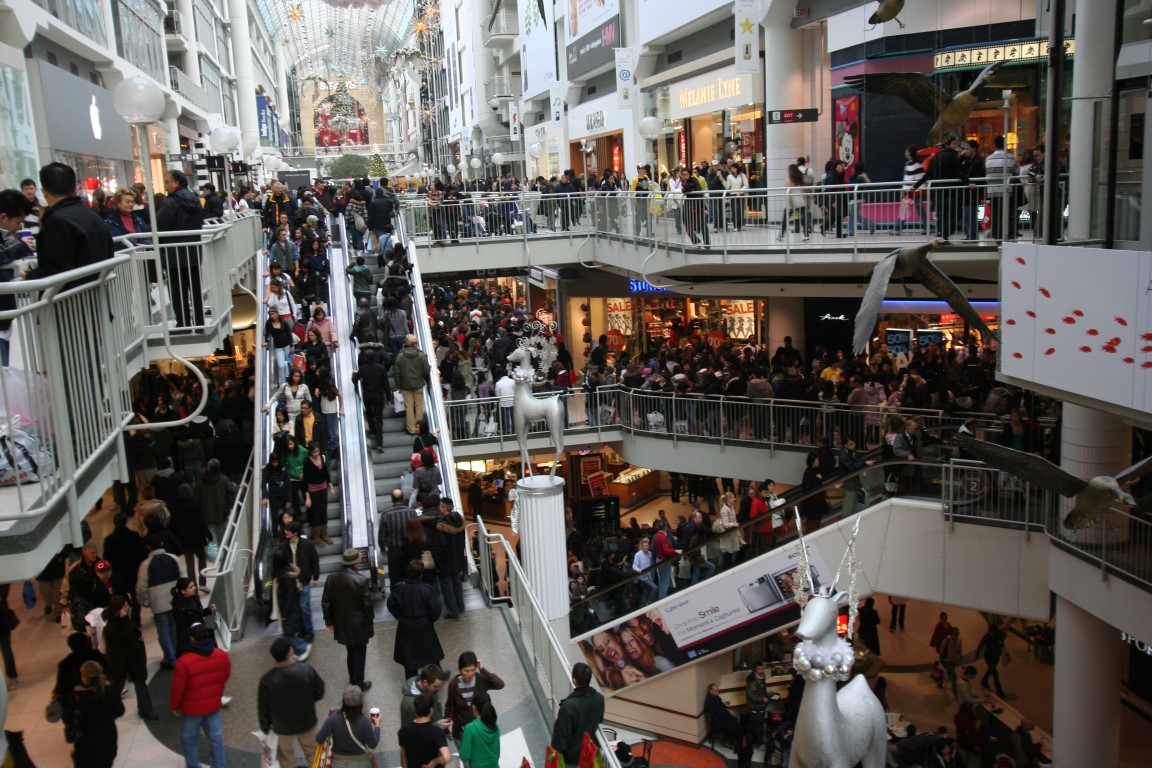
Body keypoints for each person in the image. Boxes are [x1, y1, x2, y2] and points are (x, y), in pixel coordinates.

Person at [29, 162, 114, 282]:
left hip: (69, 296)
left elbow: (57, 269)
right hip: (97, 293)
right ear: (74, 188)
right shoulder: (93, 216)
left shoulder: (56, 221)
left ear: (44, 192)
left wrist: (30, 276)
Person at [170, 624, 231, 768]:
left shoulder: (184, 662)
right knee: (216, 739)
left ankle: (193, 765)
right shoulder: (221, 655)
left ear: (192, 638)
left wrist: (174, 706)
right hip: (213, 705)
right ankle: (219, 765)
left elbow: (178, 689)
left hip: (192, 710)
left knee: (188, 738)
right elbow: (225, 676)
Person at [258, 636, 325, 768]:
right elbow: (319, 691)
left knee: (286, 759)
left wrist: (265, 728)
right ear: (289, 652)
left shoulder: (267, 680)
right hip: (307, 722)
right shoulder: (306, 670)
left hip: (281, 728)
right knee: (313, 754)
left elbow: (263, 709)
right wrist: (309, 701)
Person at [156, 169, 207, 328]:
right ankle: (199, 321)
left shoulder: (170, 202)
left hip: (174, 253)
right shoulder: (195, 199)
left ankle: (183, 322)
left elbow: (161, 225)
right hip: (192, 251)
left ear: (176, 183)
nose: (165, 185)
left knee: (177, 290)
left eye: (167, 182)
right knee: (195, 288)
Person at [323, 548, 376, 691]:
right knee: (359, 652)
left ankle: (353, 678)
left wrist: (328, 622)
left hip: (341, 622)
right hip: (358, 623)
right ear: (356, 562)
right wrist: (370, 623)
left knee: (350, 651)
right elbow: (367, 606)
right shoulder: (360, 580)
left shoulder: (331, 578)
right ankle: (358, 682)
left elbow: (326, 602)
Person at [100, 596, 157, 721]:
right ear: (118, 610)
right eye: (125, 606)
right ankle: (111, 710)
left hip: (131, 658)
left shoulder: (120, 622)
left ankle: (146, 709)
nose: (128, 607)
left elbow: (133, 632)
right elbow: (127, 636)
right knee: (118, 686)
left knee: (138, 683)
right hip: (121, 661)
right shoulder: (112, 626)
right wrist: (126, 621)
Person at [387, 560, 444, 678]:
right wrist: (430, 619)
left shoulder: (399, 588)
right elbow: (436, 609)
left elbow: (390, 603)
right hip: (424, 625)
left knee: (409, 657)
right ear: (421, 574)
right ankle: (436, 676)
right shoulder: (426, 590)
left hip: (405, 625)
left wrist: (398, 614)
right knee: (432, 654)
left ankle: (411, 681)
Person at [136, 534, 185, 670]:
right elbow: (183, 577)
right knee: (175, 627)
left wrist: (145, 602)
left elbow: (141, 588)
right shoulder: (173, 558)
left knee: (163, 631)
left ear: (148, 547)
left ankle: (170, 658)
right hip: (175, 599)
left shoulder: (145, 565)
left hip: (158, 602)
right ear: (162, 543)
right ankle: (177, 652)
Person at [65, 660, 124, 768]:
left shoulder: (77, 696)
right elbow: (120, 711)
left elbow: (68, 717)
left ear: (84, 677)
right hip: (107, 736)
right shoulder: (109, 691)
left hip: (86, 742)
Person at [550, 663, 605, 767]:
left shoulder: (569, 706)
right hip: (589, 755)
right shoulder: (599, 699)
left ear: (574, 680)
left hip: (571, 760)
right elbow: (599, 720)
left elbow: (561, 738)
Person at [315, 685, 381, 767]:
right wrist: (377, 726)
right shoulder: (365, 722)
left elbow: (319, 739)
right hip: (361, 763)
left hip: (337, 764)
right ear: (361, 704)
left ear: (343, 701)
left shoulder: (333, 719)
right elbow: (372, 744)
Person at [445, 651, 505, 740]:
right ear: (460, 669)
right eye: (466, 670)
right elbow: (449, 706)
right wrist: (446, 729)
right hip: (462, 731)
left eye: (473, 670)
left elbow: (499, 684)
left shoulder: (480, 679)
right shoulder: (453, 684)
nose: (470, 674)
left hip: (480, 730)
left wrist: (483, 670)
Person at [281, 521, 320, 641]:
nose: (285, 532)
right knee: (296, 607)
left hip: (304, 580)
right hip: (290, 582)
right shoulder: (283, 546)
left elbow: (314, 560)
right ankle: (301, 630)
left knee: (304, 606)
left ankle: (309, 632)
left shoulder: (307, 544)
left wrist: (316, 577)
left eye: (288, 530)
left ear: (295, 532)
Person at [398, 692, 451, 768]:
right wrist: (434, 761)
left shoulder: (404, 729)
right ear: (431, 710)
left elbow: (403, 753)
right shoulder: (436, 732)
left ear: (415, 709)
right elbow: (446, 757)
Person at [394, 334, 432, 435]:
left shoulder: (400, 356)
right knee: (419, 406)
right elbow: (426, 370)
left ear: (406, 343)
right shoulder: (421, 355)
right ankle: (419, 428)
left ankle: (411, 429)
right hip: (419, 384)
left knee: (409, 407)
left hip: (405, 385)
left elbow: (396, 372)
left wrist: (398, 385)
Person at [171, 577, 216, 658]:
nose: (194, 588)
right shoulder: (180, 608)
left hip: (198, 633)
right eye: (191, 587)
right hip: (193, 640)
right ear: (183, 591)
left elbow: (198, 614)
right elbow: (182, 630)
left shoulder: (193, 597)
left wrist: (208, 610)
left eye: (194, 586)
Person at [458, 690, 501, 768]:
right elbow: (497, 754)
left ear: (474, 707)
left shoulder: (470, 728)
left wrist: (462, 740)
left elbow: (464, 756)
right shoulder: (494, 726)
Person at [975, 623, 1008, 697]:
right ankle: (999, 690)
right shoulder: (986, 637)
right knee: (995, 673)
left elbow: (1002, 645)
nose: (991, 633)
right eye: (990, 631)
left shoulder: (999, 637)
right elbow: (981, 645)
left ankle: (984, 681)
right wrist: (977, 654)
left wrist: (1000, 644)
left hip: (996, 657)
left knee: (991, 670)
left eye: (992, 632)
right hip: (988, 657)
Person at [745, 661, 768, 747]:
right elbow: (751, 694)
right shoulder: (751, 679)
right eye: (759, 669)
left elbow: (763, 688)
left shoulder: (763, 676)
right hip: (755, 705)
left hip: (761, 704)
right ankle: (757, 742)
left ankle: (759, 740)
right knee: (757, 724)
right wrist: (762, 699)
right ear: (755, 669)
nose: (761, 671)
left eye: (762, 669)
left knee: (760, 723)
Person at [939, 626, 963, 696]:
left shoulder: (959, 641)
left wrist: (962, 662)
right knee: (954, 677)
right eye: (955, 633)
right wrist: (940, 662)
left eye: (958, 633)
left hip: (954, 661)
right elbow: (941, 651)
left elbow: (960, 652)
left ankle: (941, 681)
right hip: (946, 662)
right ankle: (955, 693)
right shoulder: (946, 641)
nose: (957, 635)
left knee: (949, 675)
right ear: (951, 634)